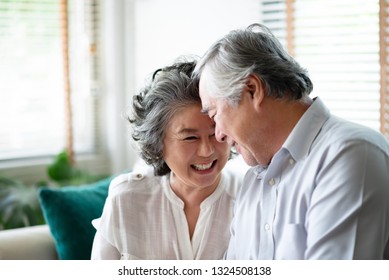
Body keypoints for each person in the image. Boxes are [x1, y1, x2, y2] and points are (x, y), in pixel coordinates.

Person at [193, 23, 389, 259]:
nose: (219, 135)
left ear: (252, 90)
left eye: (214, 114)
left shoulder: (350, 154)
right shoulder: (253, 182)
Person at [90, 58, 245, 260]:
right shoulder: (126, 199)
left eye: (215, 132)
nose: (207, 151)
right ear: (157, 143)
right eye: (190, 137)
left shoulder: (248, 199)